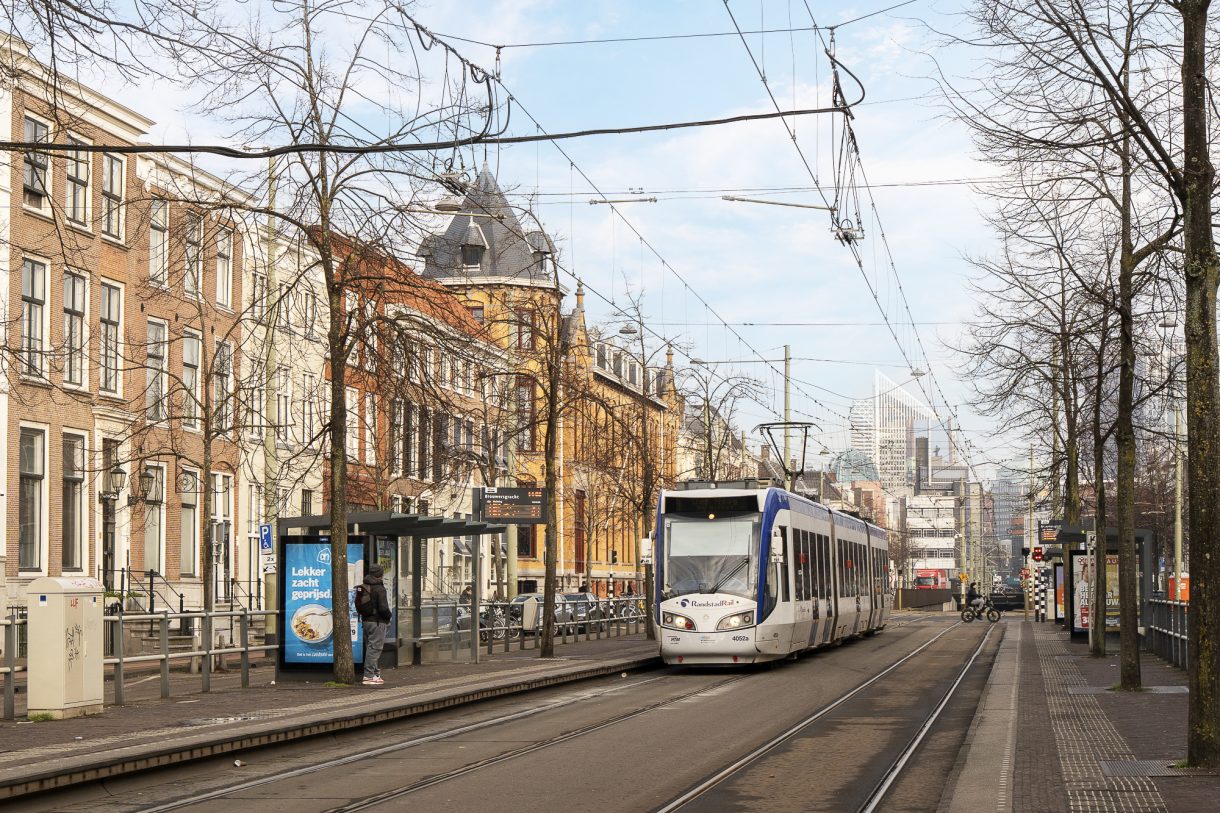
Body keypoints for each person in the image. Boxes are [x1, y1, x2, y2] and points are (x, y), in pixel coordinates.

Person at [359, 563, 392, 686]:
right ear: (380, 575)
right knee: (375, 649)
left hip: (366, 621)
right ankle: (368, 676)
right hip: (377, 622)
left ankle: (375, 674)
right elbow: (383, 608)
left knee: (371, 648)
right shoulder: (379, 588)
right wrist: (389, 616)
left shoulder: (364, 586)